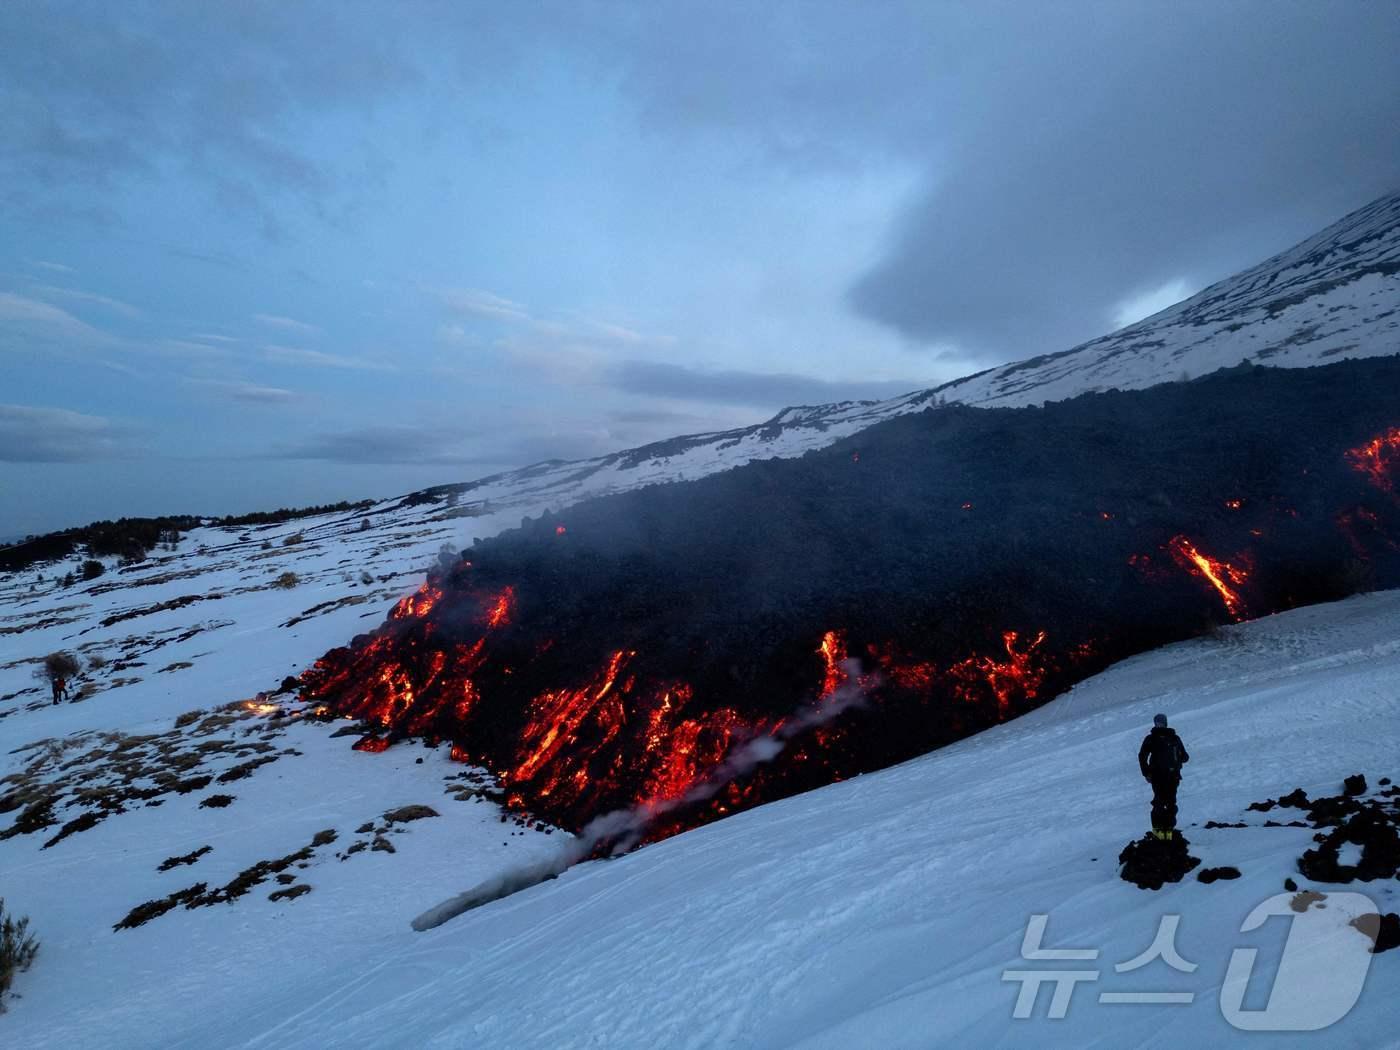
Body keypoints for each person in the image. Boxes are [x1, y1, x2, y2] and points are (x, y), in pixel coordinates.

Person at [1138, 713, 1189, 839]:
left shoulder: (1151, 738)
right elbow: (1185, 757)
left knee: (1160, 802)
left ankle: (1161, 834)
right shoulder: (1174, 738)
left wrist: (1147, 773)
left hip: (1157, 776)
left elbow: (1142, 756)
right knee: (1170, 803)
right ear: (1166, 723)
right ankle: (1168, 832)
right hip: (1173, 775)